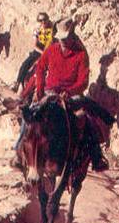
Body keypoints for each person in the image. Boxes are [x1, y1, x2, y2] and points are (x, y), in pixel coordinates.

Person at [19, 18, 110, 172]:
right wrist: (40, 90)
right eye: (60, 38)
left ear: (72, 36)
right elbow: (40, 67)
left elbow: (83, 81)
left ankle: (96, 156)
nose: (62, 41)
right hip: (50, 91)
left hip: (71, 94)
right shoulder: (52, 49)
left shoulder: (81, 54)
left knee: (86, 120)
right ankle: (19, 149)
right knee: (30, 114)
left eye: (65, 38)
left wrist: (69, 92)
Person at [14, 12, 53, 92]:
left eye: (44, 19)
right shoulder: (37, 30)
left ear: (48, 19)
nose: (43, 22)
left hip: (50, 52)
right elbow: (35, 46)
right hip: (39, 51)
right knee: (25, 64)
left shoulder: (52, 29)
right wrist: (43, 53)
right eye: (40, 20)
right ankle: (18, 83)